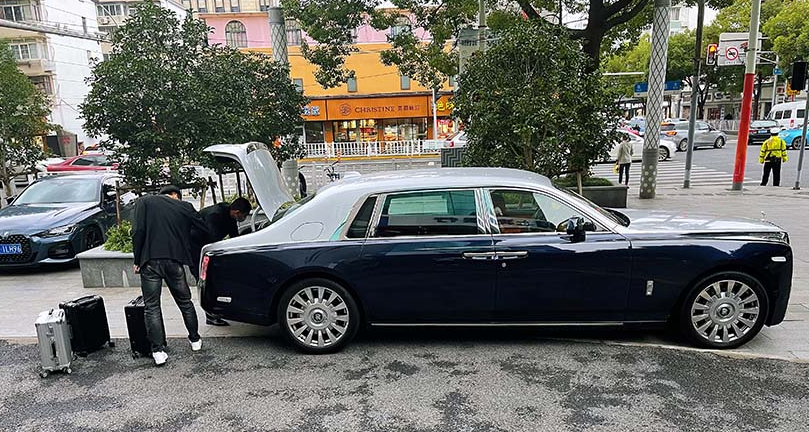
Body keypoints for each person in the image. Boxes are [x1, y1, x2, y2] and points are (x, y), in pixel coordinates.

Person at [132, 185, 210, 366]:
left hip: (150, 261)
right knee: (185, 302)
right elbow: (204, 229)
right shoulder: (184, 206)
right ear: (175, 195)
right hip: (175, 261)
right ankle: (195, 340)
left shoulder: (144, 201)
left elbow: (137, 231)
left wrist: (137, 259)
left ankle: (158, 351)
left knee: (152, 307)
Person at [189, 197, 252, 326]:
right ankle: (210, 315)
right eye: (244, 215)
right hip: (196, 250)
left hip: (207, 249)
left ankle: (217, 311)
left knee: (214, 282)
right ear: (237, 212)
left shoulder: (230, 216)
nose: (244, 218)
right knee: (205, 283)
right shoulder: (215, 215)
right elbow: (214, 239)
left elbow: (234, 237)